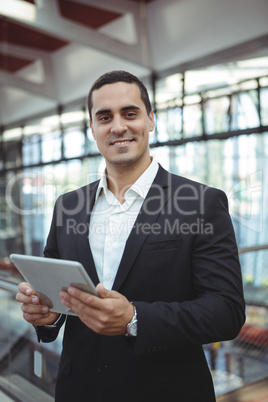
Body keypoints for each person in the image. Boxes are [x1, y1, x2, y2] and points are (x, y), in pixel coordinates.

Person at [16, 70, 245, 402]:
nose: (118, 126)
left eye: (130, 113)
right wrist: (47, 315)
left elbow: (226, 311)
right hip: (79, 390)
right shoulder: (67, 206)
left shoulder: (201, 203)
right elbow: (56, 295)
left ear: (151, 120)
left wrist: (134, 319)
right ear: (91, 129)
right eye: (105, 117)